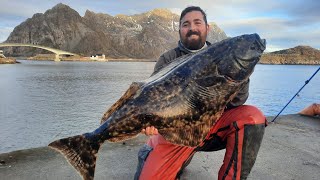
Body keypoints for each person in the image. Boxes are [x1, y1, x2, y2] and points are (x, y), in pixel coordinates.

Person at [134, 6, 267, 180]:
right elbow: (151, 98)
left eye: (197, 22)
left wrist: (241, 74)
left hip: (214, 126)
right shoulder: (167, 59)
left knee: (253, 117)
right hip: (177, 132)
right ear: (180, 30)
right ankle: (158, 151)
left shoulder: (225, 53)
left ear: (207, 27)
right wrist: (149, 121)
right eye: (186, 24)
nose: (192, 28)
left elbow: (237, 102)